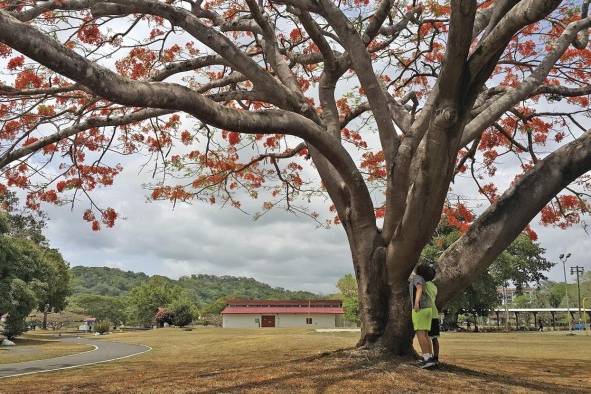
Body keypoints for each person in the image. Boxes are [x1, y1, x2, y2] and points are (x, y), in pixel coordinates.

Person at [409, 263, 437, 369]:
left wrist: (416, 303)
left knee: (420, 333)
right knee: (425, 334)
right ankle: (429, 357)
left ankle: (426, 359)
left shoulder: (417, 278)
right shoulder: (424, 280)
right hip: (428, 309)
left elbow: (419, 289)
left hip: (420, 308)